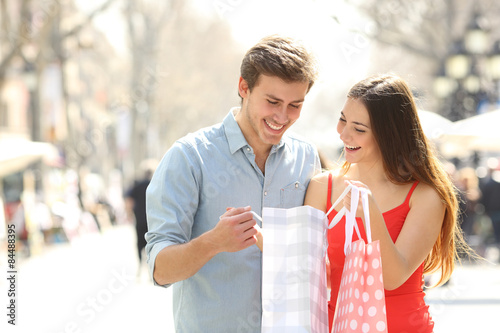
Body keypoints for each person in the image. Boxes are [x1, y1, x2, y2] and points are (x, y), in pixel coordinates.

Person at [145, 35, 320, 332]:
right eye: (272, 102)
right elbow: (160, 271)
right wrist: (213, 242)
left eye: (295, 105)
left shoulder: (306, 158)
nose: (282, 116)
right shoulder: (189, 157)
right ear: (243, 87)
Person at [305, 74, 467, 332]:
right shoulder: (321, 187)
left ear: (388, 135)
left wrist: (370, 214)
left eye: (359, 129)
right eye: (342, 120)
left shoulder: (424, 195)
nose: (344, 134)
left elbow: (393, 278)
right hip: (338, 324)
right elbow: (313, 270)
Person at [125, 162, 156, 272]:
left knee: (139, 242)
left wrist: (129, 214)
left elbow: (129, 200)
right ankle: (150, 266)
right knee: (151, 242)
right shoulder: (154, 184)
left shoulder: (137, 185)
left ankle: (140, 265)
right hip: (151, 220)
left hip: (139, 218)